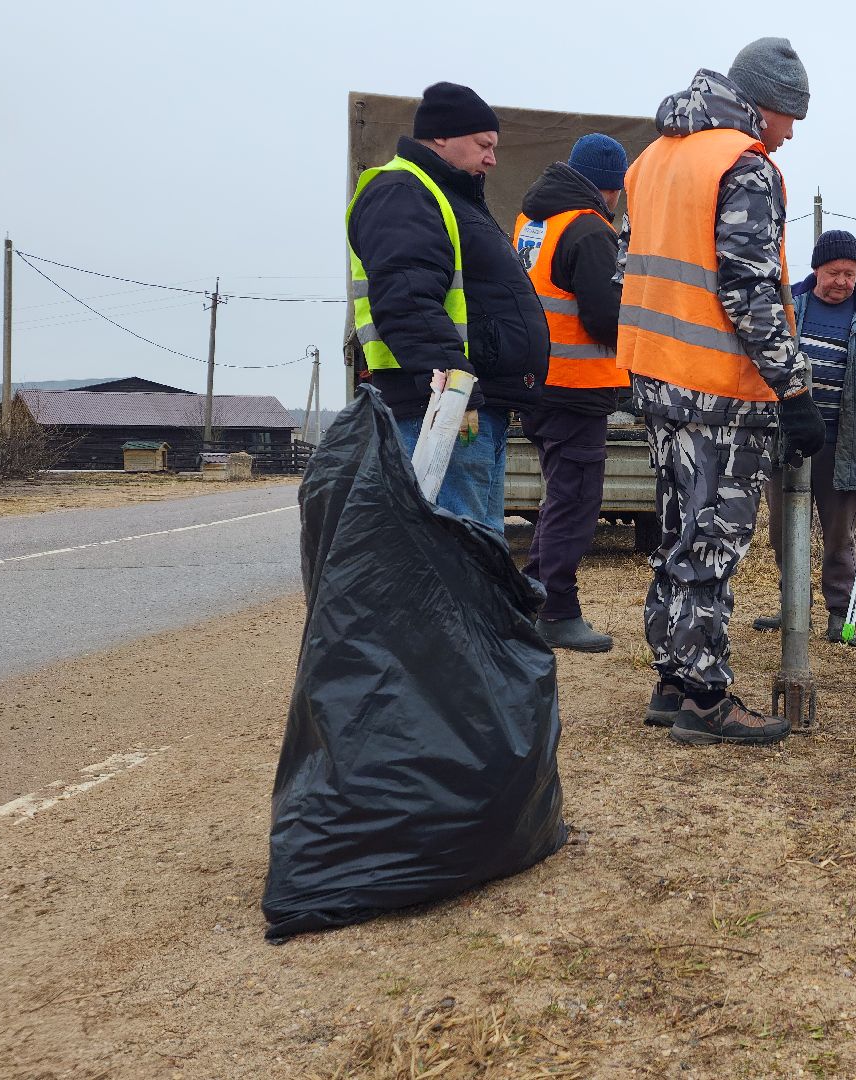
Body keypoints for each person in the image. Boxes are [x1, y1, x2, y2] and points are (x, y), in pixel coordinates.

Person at [616, 38, 823, 746]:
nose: (790, 133)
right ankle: (705, 698)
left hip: (657, 381)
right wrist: (792, 390)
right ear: (761, 106)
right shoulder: (742, 166)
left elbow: (625, 270)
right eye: (789, 116)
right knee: (713, 541)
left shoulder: (649, 162)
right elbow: (749, 288)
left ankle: (673, 678)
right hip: (720, 391)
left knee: (678, 531)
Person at [346, 82, 549, 531]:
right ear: (441, 136)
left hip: (464, 405)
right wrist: (455, 397)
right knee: (459, 552)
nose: (492, 158)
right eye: (484, 144)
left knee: (479, 545)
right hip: (439, 409)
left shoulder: (449, 196)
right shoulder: (403, 192)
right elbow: (407, 300)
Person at [751, 229, 856, 642]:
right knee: (784, 531)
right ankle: (792, 607)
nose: (843, 281)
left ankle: (839, 612)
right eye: (835, 272)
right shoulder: (788, 306)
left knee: (840, 535)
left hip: (845, 445)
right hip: (788, 441)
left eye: (851, 274)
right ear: (817, 268)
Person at [510, 134, 630, 651]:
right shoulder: (589, 229)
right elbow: (605, 318)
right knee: (575, 502)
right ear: (613, 188)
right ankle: (556, 609)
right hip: (575, 388)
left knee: (559, 496)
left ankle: (534, 598)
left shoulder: (533, 221)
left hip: (539, 384)